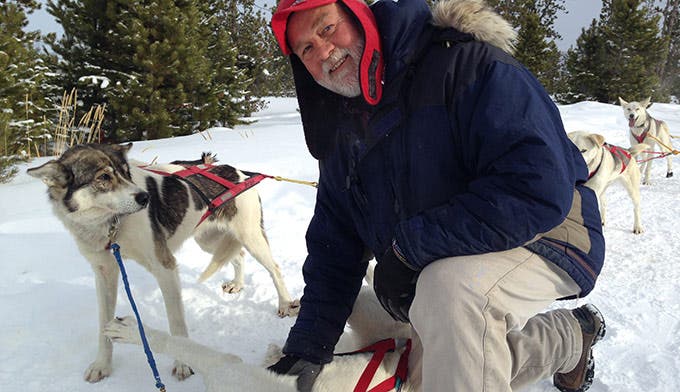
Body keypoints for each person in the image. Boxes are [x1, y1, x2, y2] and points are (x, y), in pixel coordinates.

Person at [267, 0, 607, 391]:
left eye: (326, 28)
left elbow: (537, 188)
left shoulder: (464, 65)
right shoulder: (343, 133)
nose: (323, 52)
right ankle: (569, 338)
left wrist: (408, 250)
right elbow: (334, 246)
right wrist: (307, 347)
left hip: (555, 229)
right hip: (450, 253)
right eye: (306, 49)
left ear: (358, 16)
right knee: (434, 372)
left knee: (450, 293)